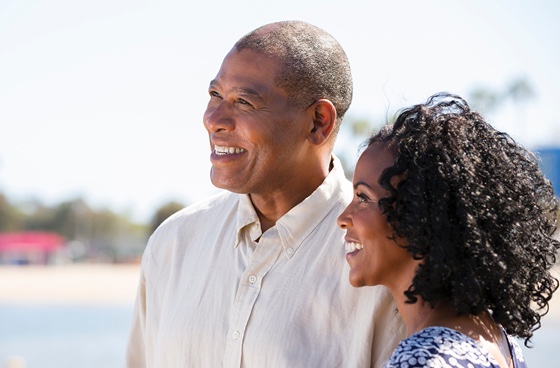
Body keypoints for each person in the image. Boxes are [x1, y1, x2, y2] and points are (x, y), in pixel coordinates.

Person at [126, 21, 405, 368]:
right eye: (214, 95)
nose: (213, 120)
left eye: (243, 102)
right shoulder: (173, 243)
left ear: (318, 121)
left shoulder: (388, 257)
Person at [337, 92, 560, 368]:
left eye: (362, 197)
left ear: (419, 214)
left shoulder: (422, 359)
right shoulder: (497, 338)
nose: (343, 218)